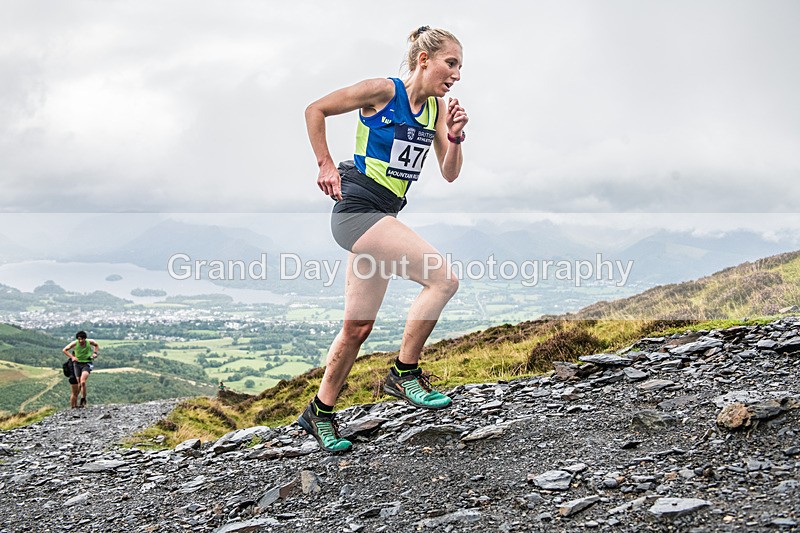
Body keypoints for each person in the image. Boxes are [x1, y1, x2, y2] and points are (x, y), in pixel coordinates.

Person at [298, 26, 468, 452]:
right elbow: (315, 109)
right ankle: (405, 374)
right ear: (424, 60)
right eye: (451, 63)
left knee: (357, 327)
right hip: (357, 212)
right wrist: (324, 165)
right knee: (443, 280)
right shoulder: (382, 91)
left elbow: (449, 172)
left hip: (382, 219)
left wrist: (455, 138)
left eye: (461, 67)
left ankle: (319, 412)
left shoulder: (438, 111)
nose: (457, 75)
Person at [62, 331, 99, 408]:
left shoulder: (89, 342)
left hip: (85, 365)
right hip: (76, 370)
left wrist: (95, 353)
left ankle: (81, 401)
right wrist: (72, 358)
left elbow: (96, 345)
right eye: (79, 339)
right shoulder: (75, 345)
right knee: (77, 388)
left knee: (81, 384)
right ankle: (74, 406)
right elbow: (65, 350)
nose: (80, 341)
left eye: (82, 339)